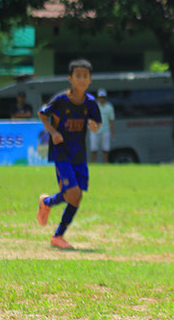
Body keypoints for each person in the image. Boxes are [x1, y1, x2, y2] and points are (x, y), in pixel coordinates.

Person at [35, 59, 102, 250]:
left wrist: (94, 126)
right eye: (78, 76)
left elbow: (97, 124)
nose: (81, 79)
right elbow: (42, 114)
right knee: (73, 193)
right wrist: (53, 132)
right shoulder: (61, 100)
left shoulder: (90, 103)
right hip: (61, 152)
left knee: (77, 197)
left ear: (90, 80)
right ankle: (56, 231)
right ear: (70, 78)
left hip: (79, 154)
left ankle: (51, 215)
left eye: (85, 76)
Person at [88, 89, 115, 163]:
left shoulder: (109, 107)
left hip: (105, 130)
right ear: (98, 97)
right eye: (100, 97)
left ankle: (105, 163)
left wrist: (112, 131)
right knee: (94, 149)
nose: (102, 99)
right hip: (94, 131)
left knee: (105, 149)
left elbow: (111, 120)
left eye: (103, 97)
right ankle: (93, 163)